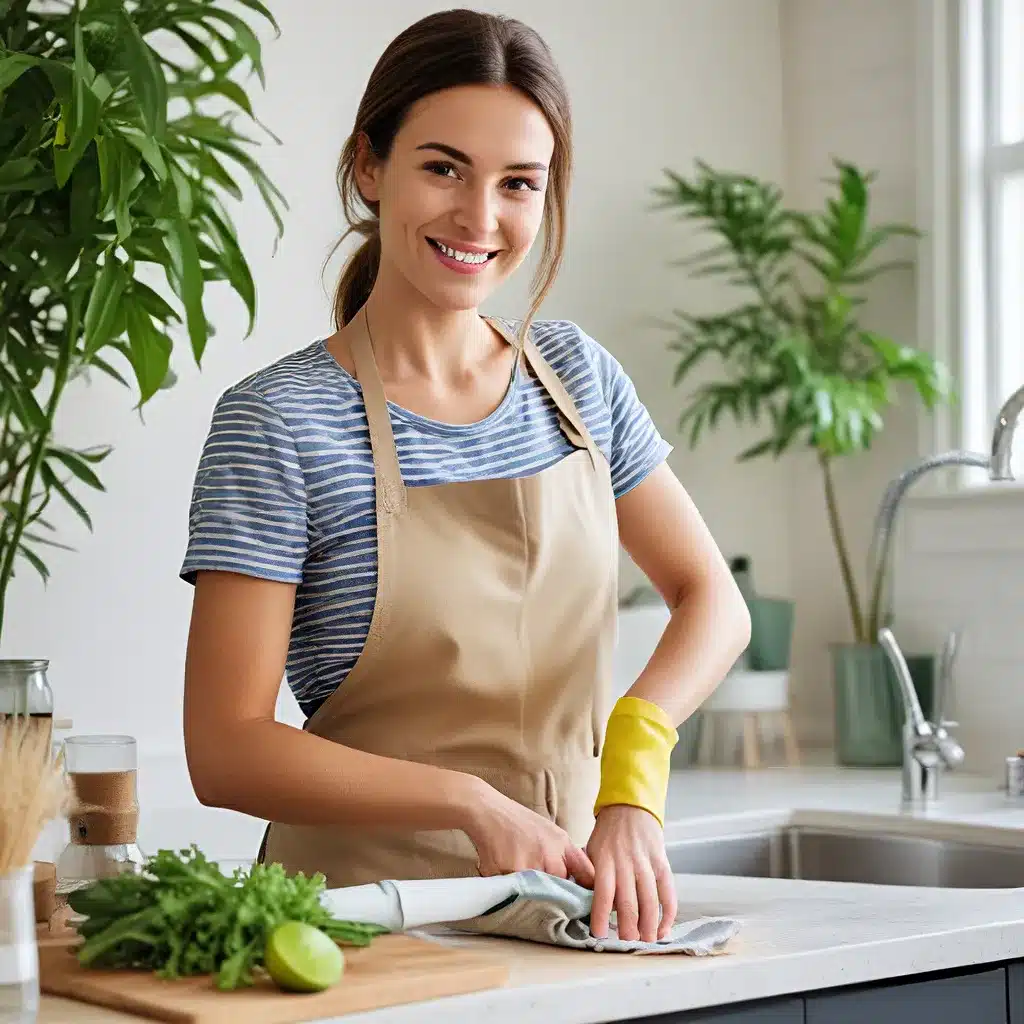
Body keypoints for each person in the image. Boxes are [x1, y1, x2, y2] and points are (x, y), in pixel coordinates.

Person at [181, 8, 750, 944]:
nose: (480, 218)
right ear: (370, 166)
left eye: (518, 183)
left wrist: (634, 780)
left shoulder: (576, 378)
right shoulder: (279, 421)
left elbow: (711, 600)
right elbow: (226, 749)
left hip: (569, 909)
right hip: (352, 931)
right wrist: (466, 803)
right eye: (443, 167)